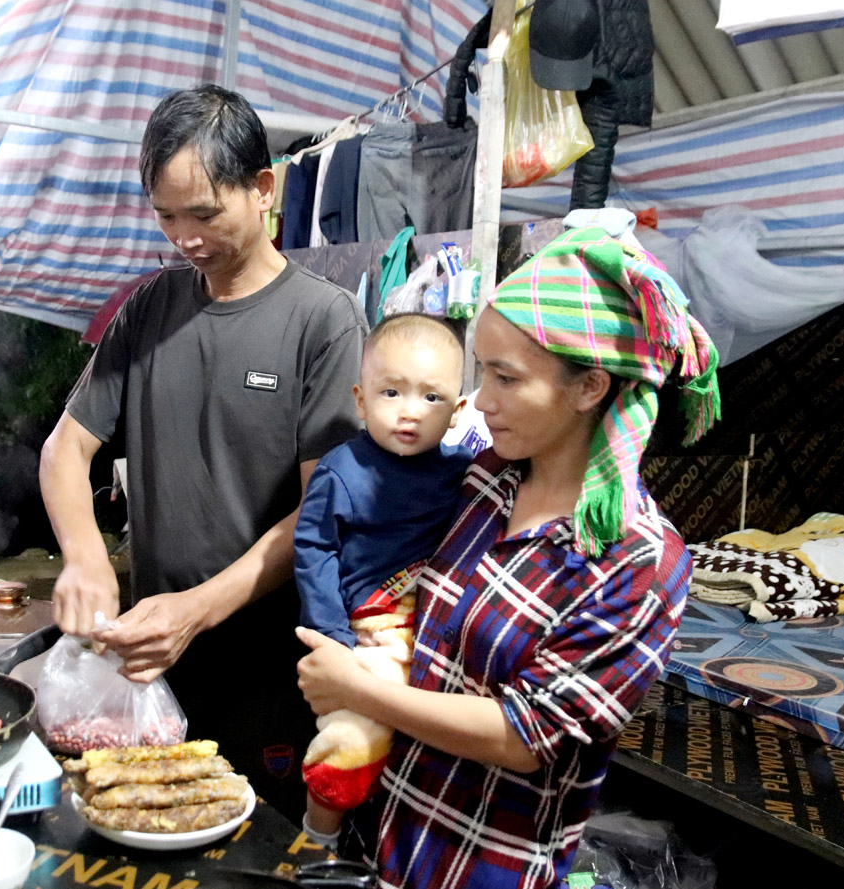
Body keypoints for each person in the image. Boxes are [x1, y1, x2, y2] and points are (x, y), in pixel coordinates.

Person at [296, 225, 721, 888]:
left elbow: (524, 738)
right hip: (390, 839)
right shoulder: (486, 479)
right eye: (481, 372)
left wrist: (361, 688)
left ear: (589, 388)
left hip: (484, 866)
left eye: (505, 377)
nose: (480, 400)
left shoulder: (639, 562)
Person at [40, 83, 368, 820]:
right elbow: (66, 447)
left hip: (268, 671)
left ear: (262, 189)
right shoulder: (149, 308)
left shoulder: (325, 322)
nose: (185, 236)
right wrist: (86, 555)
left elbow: (323, 513)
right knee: (144, 834)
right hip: (151, 667)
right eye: (166, 216)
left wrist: (198, 608)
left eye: (204, 213)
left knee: (258, 856)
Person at [293, 314, 474, 843]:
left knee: (427, 748)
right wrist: (335, 639)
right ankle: (318, 835)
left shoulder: (466, 472)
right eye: (391, 392)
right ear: (360, 398)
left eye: (431, 398)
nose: (409, 412)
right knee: (353, 736)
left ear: (459, 410)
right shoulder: (342, 470)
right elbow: (314, 550)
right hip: (374, 626)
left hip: (441, 622)